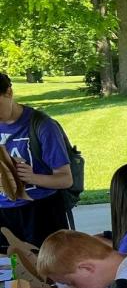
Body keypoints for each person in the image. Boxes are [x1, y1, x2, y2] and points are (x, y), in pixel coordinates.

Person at [0, 72, 73, 247]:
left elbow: (66, 179)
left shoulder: (43, 126)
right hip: (3, 214)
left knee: (47, 270)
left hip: (41, 213)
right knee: (6, 270)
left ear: (9, 93)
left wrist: (32, 178)